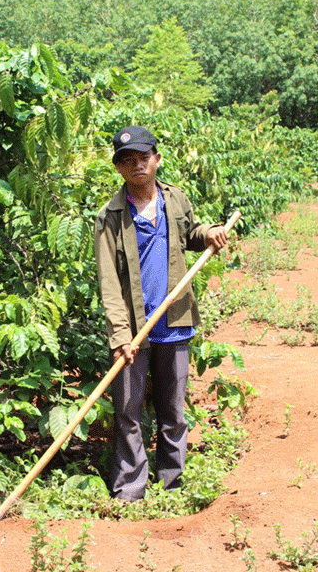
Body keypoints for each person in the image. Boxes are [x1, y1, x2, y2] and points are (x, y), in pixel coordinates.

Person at [94, 126, 228, 501]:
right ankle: (130, 489)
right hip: (133, 330)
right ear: (119, 169)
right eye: (127, 161)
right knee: (128, 412)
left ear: (156, 159)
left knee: (173, 410)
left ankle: (173, 485)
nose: (136, 166)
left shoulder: (176, 200)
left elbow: (191, 233)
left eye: (142, 158)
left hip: (175, 322)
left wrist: (210, 234)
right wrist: (121, 336)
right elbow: (108, 282)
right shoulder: (110, 216)